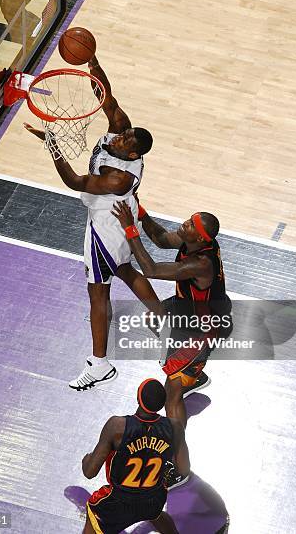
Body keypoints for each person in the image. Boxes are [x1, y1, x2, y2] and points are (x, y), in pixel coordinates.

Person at [26, 54, 161, 391]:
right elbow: (107, 97)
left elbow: (75, 181)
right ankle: (165, 319)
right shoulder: (120, 129)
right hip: (113, 216)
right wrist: (93, 63)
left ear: (133, 155)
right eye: (124, 134)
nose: (120, 137)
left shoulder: (118, 178)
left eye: (126, 141)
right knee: (125, 270)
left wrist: (53, 144)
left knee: (98, 292)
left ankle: (100, 363)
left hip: (107, 222)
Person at [112, 201, 233, 475]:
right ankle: (195, 375)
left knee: (171, 397)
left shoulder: (201, 263)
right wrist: (142, 215)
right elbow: (161, 237)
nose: (185, 224)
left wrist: (129, 228)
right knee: (153, 317)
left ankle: (179, 466)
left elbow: (151, 270)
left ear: (200, 237)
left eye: (191, 225)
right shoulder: (192, 241)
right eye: (189, 219)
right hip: (186, 309)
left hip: (201, 329)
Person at [82, 378, 190, 533]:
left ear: (138, 398)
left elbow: (89, 472)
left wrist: (87, 460)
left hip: (118, 502)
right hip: (153, 499)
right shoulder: (175, 427)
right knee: (155, 513)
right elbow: (184, 469)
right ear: (162, 402)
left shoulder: (117, 426)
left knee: (94, 511)